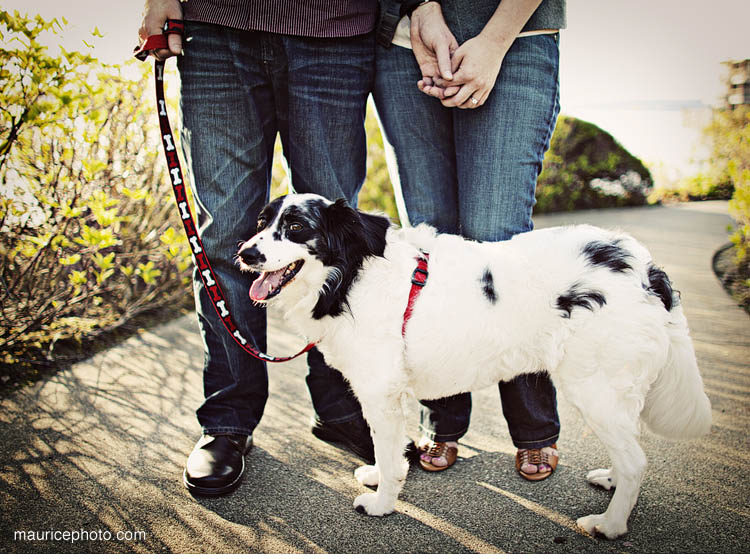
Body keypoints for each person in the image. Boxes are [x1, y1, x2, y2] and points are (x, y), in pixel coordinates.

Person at [137, 0, 379, 496]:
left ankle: (341, 406)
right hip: (216, 27)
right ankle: (228, 421)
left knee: (335, 239)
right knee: (225, 238)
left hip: (333, 31)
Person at [373, 0, 566, 480]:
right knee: (431, 251)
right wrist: (422, 9)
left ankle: (534, 430)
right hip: (405, 46)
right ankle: (441, 421)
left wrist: (494, 39)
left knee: (499, 247)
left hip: (514, 36)